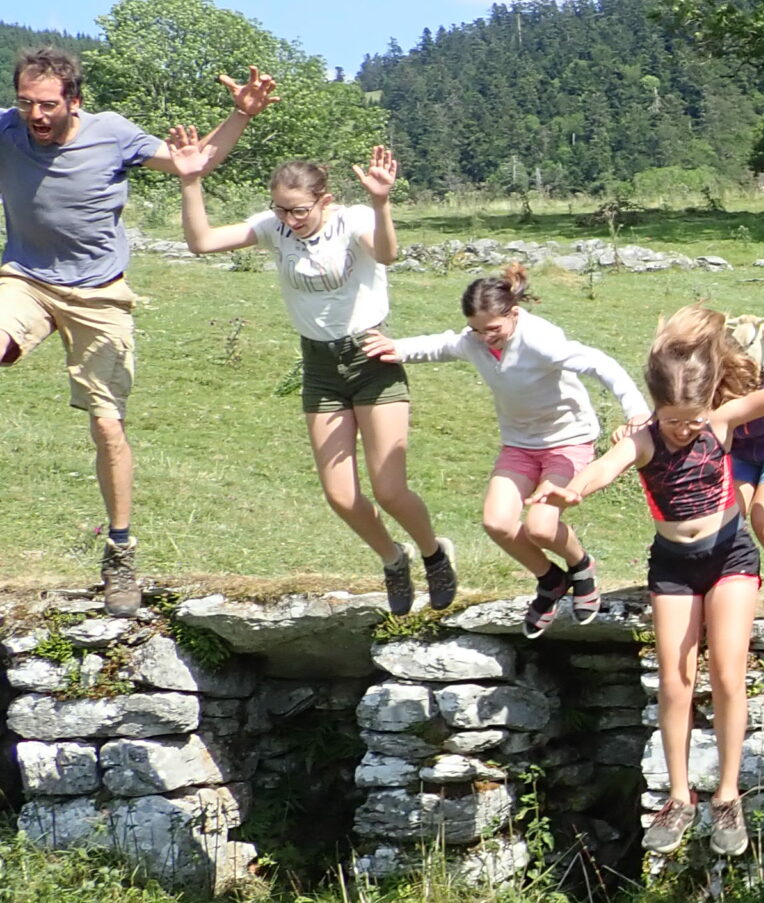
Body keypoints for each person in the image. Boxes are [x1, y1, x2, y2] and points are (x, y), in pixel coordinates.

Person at [0, 46, 275, 611]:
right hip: (26, 278)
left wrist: (241, 115)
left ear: (75, 100)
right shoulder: (7, 129)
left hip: (100, 292)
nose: (36, 115)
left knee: (107, 427)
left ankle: (120, 552)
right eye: (25, 102)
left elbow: (190, 163)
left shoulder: (112, 134)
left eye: (47, 104)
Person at [528, 317, 764, 858]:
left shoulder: (719, 421)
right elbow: (603, 470)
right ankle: (679, 798)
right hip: (674, 566)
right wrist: (571, 492)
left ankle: (727, 796)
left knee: (727, 672)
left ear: (707, 406)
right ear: (657, 409)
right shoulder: (643, 440)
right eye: (673, 420)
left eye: (692, 420)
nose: (684, 430)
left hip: (730, 555)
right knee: (675, 682)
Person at [169, 140, 455, 614]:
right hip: (319, 365)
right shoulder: (273, 228)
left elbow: (385, 254)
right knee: (341, 495)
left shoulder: (354, 219)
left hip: (370, 357)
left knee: (389, 489)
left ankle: (433, 553)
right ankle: (393, 559)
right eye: (280, 209)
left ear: (324, 200)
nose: (289, 220)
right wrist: (191, 181)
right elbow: (201, 243)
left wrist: (382, 202)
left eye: (299, 210)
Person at [362, 266, 651, 636]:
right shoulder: (475, 340)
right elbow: (442, 345)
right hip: (519, 444)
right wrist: (397, 348)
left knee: (541, 527)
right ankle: (550, 581)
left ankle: (581, 565)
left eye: (493, 329)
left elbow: (600, 364)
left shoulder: (541, 340)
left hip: (567, 441)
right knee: (496, 523)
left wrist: (636, 410)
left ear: (513, 314)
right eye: (477, 330)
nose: (485, 339)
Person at [657, 303, 764, 622]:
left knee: (763, 516)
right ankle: (724, 587)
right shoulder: (686, 384)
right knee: (727, 517)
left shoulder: (744, 373)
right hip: (742, 455)